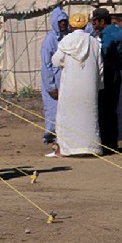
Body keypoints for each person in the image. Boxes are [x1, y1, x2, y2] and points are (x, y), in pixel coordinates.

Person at [51, 13, 103, 156]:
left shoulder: (66, 41)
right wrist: (98, 84)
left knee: (68, 116)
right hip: (89, 85)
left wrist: (68, 63)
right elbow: (100, 66)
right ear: (86, 25)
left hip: (70, 85)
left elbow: (56, 61)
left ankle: (68, 149)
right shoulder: (93, 42)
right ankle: (91, 147)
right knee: (89, 116)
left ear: (71, 25)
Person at [91, 8, 122, 153]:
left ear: (101, 21)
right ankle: (113, 141)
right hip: (120, 72)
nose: (93, 25)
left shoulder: (107, 35)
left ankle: (108, 143)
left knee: (106, 109)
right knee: (114, 108)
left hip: (110, 74)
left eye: (95, 22)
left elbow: (104, 51)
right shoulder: (121, 30)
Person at [40, 7, 69, 144]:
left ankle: (64, 136)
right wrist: (51, 86)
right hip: (53, 79)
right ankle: (50, 136)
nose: (63, 23)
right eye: (60, 21)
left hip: (65, 78)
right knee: (53, 109)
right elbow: (46, 65)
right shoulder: (49, 40)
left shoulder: (68, 36)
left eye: (64, 20)